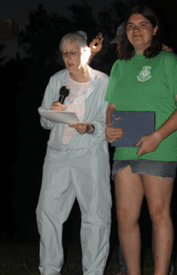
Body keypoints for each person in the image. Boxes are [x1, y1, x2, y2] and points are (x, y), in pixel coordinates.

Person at [105, 6, 177, 275]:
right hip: (125, 149)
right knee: (125, 217)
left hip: (160, 147)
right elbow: (111, 106)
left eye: (143, 24)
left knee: (159, 214)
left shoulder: (170, 62)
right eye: (130, 26)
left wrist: (156, 137)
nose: (136, 30)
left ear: (155, 30)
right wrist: (109, 126)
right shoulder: (120, 65)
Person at [36, 32, 111, 275]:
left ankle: (93, 271)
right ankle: (49, 269)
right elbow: (44, 122)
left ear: (84, 53)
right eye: (64, 54)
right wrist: (52, 112)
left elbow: (106, 121)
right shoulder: (56, 80)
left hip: (90, 153)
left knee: (95, 214)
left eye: (73, 53)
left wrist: (90, 127)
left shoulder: (103, 81)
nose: (67, 59)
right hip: (58, 154)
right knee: (47, 212)